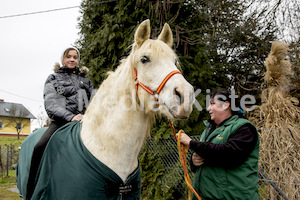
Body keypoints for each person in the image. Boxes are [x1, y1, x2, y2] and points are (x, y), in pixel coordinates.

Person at [26, 47, 94, 200]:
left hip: (85, 122)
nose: (72, 59)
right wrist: (71, 117)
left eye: (75, 57)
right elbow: (51, 104)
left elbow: (93, 103)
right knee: (39, 147)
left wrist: (88, 115)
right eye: (68, 56)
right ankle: (31, 192)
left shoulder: (86, 81)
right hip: (61, 122)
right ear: (63, 59)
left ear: (78, 60)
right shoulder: (54, 78)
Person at [177, 89, 259, 200]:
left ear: (225, 105)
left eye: (212, 104)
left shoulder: (244, 128)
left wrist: (191, 143)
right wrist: (194, 161)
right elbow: (207, 155)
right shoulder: (207, 131)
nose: (208, 108)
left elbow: (230, 155)